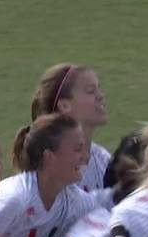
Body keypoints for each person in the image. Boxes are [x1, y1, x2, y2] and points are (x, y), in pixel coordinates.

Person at [29, 63, 112, 192]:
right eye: (91, 91)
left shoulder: (104, 160)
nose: (101, 96)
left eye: (98, 89)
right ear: (64, 106)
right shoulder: (52, 165)